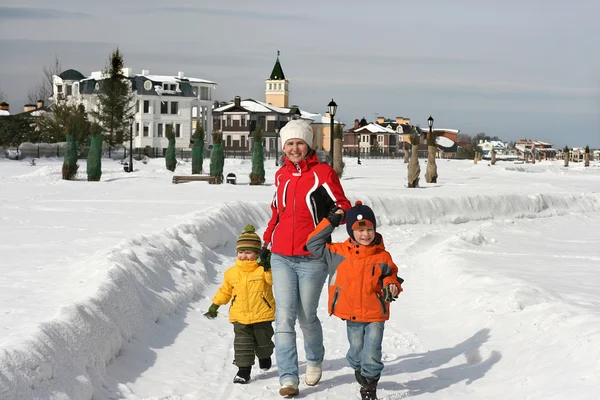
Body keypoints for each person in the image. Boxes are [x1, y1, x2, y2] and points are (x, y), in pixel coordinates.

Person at [260, 119, 351, 397]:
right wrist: (267, 241)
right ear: (283, 147)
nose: (295, 148)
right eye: (290, 144)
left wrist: (331, 221)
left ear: (309, 145)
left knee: (306, 316)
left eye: (299, 143)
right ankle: (288, 378)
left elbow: (342, 204)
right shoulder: (281, 175)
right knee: (284, 317)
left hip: (312, 256)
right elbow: (277, 211)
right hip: (281, 256)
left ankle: (314, 359)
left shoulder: (323, 172)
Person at [306, 200, 404, 400]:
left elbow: (390, 275)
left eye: (369, 229)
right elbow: (313, 243)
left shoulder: (383, 256)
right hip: (351, 311)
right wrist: (331, 221)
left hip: (375, 311)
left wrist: (392, 286)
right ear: (351, 231)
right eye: (359, 230)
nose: (365, 234)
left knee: (373, 348)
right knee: (357, 350)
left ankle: (369, 384)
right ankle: (358, 365)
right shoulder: (337, 252)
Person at [204, 224, 275, 384]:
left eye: (248, 252)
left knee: (263, 342)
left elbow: (272, 281)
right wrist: (215, 305)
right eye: (241, 252)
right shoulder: (232, 272)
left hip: (262, 314)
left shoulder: (262, 270)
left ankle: (264, 356)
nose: (243, 255)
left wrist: (268, 266)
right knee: (242, 344)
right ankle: (243, 371)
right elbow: (225, 291)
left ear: (256, 253)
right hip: (239, 316)